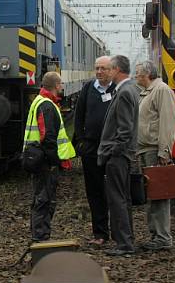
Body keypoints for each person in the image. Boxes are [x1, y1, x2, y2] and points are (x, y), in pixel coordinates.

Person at [23, 71, 76, 242]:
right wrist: (54, 161)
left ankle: (39, 235)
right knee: (44, 200)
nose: (62, 87)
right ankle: (41, 237)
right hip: (45, 162)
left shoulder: (38, 101)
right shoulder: (47, 106)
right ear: (56, 85)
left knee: (41, 199)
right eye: (60, 84)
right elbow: (48, 137)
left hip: (37, 158)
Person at [98, 55, 140, 257]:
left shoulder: (124, 92)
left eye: (110, 68)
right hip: (123, 154)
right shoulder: (130, 89)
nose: (108, 72)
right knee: (124, 198)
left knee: (117, 199)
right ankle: (127, 239)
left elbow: (125, 129)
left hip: (118, 155)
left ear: (117, 70)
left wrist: (113, 151)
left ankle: (124, 244)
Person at [72, 56, 116, 247]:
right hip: (91, 148)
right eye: (97, 68)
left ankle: (119, 232)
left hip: (113, 148)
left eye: (103, 69)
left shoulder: (118, 90)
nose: (99, 72)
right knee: (94, 191)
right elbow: (78, 116)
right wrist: (81, 141)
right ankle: (100, 233)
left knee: (116, 191)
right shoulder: (88, 89)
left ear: (112, 70)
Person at [135, 61, 175, 251]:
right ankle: (156, 235)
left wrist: (164, 151)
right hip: (146, 149)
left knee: (159, 195)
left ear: (147, 75)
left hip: (154, 150)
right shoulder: (148, 91)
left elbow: (168, 122)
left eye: (138, 74)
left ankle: (162, 237)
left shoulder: (161, 90)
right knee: (153, 195)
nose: (136, 77)